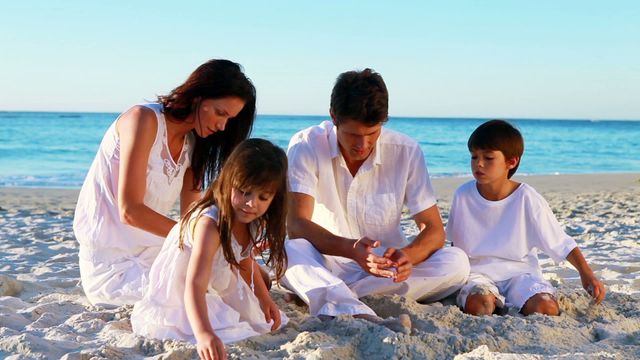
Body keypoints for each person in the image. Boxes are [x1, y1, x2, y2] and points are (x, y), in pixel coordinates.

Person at [282, 68, 469, 328]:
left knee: (457, 260)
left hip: (386, 270)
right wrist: (351, 249)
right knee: (291, 250)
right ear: (333, 117)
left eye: (372, 134)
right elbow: (297, 225)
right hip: (328, 260)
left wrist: (409, 255)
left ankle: (335, 298)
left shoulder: (406, 151)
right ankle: (342, 298)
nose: (363, 145)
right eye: (353, 135)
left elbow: (434, 230)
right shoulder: (306, 144)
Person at [73, 59, 257, 307]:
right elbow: (130, 211)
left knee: (248, 282)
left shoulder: (196, 145)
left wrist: (230, 247)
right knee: (205, 296)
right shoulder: (143, 119)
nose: (222, 126)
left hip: (155, 248)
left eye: (229, 119)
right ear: (198, 96)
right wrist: (206, 242)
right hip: (113, 260)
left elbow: (191, 216)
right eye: (220, 113)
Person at [131, 138, 289, 359]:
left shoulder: (252, 219)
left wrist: (265, 299)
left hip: (218, 275)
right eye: (244, 192)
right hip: (186, 285)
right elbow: (194, 283)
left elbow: (244, 261)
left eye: (263, 197)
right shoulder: (210, 225)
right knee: (223, 328)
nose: (251, 203)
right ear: (228, 181)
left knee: (258, 320)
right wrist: (204, 334)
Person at [447, 119, 606, 316]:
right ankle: (490, 302)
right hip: (478, 274)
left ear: (511, 162)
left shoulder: (527, 197)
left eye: (488, 158)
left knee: (546, 308)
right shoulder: (463, 195)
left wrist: (586, 274)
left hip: (520, 273)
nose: (478, 163)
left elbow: (560, 242)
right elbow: (454, 246)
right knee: (479, 306)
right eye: (473, 157)